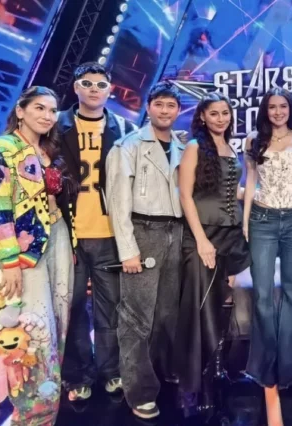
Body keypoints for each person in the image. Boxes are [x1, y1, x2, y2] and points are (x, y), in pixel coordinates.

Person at [0, 86, 76, 425]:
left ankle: (49, 401)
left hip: (59, 238)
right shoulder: (1, 148)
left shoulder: (49, 149)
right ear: (20, 111)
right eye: (39, 108)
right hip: (22, 250)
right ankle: (31, 412)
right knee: (32, 326)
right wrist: (8, 261)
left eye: (52, 110)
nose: (47, 116)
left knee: (58, 321)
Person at [57, 62, 136, 402]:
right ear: (76, 87)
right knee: (73, 308)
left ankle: (111, 370)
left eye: (101, 84)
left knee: (111, 308)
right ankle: (78, 375)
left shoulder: (125, 128)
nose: (94, 89)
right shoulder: (54, 125)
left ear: (110, 90)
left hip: (109, 234)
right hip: (68, 233)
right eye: (87, 83)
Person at [105, 81, 184, 420]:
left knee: (167, 313)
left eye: (171, 105)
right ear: (149, 107)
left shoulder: (182, 146)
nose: (165, 111)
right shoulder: (128, 146)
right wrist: (128, 250)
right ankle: (139, 391)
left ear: (178, 110)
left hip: (176, 232)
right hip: (143, 231)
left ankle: (163, 370)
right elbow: (117, 201)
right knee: (136, 317)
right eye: (159, 104)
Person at [243, 88, 292, 424]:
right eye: (272, 107)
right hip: (262, 218)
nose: (277, 112)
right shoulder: (253, 140)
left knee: (291, 292)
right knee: (262, 293)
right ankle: (263, 365)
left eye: (283, 106)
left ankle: (290, 365)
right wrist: (246, 221)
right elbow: (250, 180)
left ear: (290, 109)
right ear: (265, 110)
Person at [175, 92, 250, 412]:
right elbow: (185, 195)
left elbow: (233, 191)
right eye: (214, 113)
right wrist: (202, 240)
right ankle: (192, 382)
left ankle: (215, 368)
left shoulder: (231, 148)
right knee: (200, 307)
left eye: (225, 113)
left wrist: (263, 194)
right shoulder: (194, 147)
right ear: (202, 117)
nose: (221, 118)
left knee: (223, 303)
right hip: (203, 236)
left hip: (231, 236)